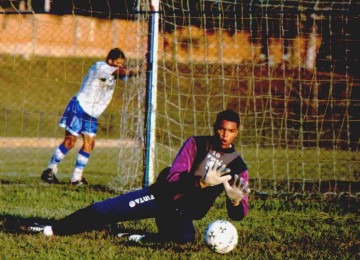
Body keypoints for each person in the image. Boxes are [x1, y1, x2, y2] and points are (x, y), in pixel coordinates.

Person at [24, 110, 250, 244]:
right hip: (160, 197)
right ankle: (50, 229)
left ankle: (135, 236)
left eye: (231, 131)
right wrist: (200, 182)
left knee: (184, 239)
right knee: (108, 211)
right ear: (215, 128)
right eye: (222, 129)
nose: (225, 135)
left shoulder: (238, 166)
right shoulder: (197, 144)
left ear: (237, 132)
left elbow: (239, 215)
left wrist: (235, 200)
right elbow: (172, 179)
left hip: (180, 213)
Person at [41, 48, 141, 185]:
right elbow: (123, 71)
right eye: (117, 62)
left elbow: (127, 73)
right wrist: (140, 68)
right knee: (70, 142)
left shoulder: (115, 70)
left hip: (92, 113)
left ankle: (76, 178)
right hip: (79, 107)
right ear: (110, 60)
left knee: (89, 144)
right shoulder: (101, 67)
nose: (120, 65)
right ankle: (49, 170)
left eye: (121, 63)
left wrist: (142, 67)